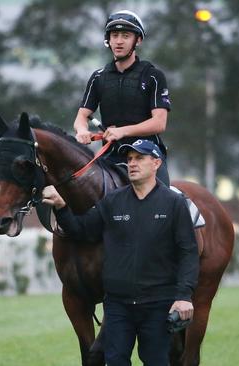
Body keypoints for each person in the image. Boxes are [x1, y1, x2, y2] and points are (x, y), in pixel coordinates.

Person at [42, 139, 199, 366]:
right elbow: (81, 229)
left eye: (139, 158)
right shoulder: (113, 201)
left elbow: (188, 252)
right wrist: (61, 206)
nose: (132, 164)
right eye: (129, 159)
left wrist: (184, 296)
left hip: (157, 304)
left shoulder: (174, 203)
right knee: (115, 361)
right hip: (117, 306)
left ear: (156, 163)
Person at [73, 10, 172, 185]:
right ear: (108, 40)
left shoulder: (153, 76)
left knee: (163, 201)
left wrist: (122, 131)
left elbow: (159, 123)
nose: (119, 41)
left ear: (138, 40)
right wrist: (82, 131)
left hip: (148, 154)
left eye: (125, 36)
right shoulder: (98, 77)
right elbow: (82, 116)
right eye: (115, 35)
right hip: (111, 156)